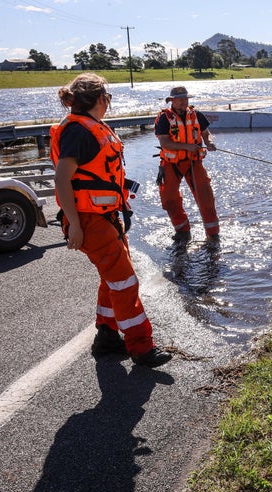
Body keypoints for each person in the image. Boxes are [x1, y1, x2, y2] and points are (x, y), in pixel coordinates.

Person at [50, 73, 172, 368]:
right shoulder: (78, 132)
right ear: (100, 99)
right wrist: (74, 224)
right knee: (125, 281)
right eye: (109, 97)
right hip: (89, 220)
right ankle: (141, 347)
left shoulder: (92, 127)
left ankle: (107, 335)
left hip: (106, 217)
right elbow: (62, 179)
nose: (109, 103)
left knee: (114, 278)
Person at [154, 86, 220, 242]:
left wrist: (209, 142)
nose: (183, 102)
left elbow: (206, 134)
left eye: (185, 99)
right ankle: (183, 231)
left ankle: (213, 235)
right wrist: (187, 147)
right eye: (179, 99)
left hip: (194, 162)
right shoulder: (164, 118)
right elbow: (164, 142)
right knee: (169, 199)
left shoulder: (197, 115)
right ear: (172, 101)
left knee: (206, 197)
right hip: (171, 164)